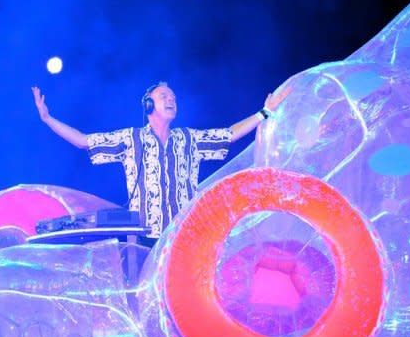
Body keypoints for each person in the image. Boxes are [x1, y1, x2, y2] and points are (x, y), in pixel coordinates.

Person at [31, 82, 288, 245]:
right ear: (149, 105)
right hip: (143, 240)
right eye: (164, 95)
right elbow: (83, 141)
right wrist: (47, 119)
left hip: (184, 238)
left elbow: (228, 135)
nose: (171, 99)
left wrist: (263, 113)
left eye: (174, 97)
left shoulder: (188, 139)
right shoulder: (131, 139)